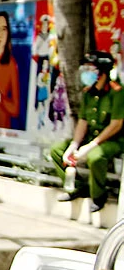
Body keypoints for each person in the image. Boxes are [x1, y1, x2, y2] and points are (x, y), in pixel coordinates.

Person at [51, 52, 124, 213]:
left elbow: (116, 125)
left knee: (95, 156)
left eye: (90, 69)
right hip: (92, 138)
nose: (86, 73)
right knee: (57, 150)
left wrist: (90, 146)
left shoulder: (117, 92)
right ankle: (77, 188)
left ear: (102, 72)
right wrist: (74, 144)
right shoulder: (88, 93)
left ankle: (98, 196)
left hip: (114, 140)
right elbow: (83, 121)